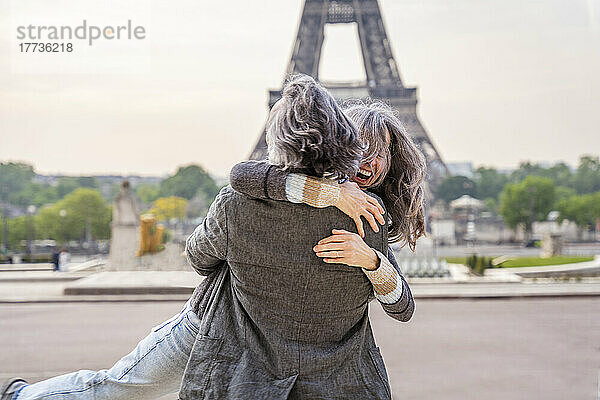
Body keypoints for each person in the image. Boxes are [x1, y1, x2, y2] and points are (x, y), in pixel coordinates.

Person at [1, 76, 418, 400]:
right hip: (265, 347)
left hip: (219, 332)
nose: (369, 160)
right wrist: (359, 241)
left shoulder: (244, 201)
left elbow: (201, 253)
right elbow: (402, 308)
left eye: (380, 152)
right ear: (342, 142)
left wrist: (368, 259)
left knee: (119, 386)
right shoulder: (369, 221)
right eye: (362, 148)